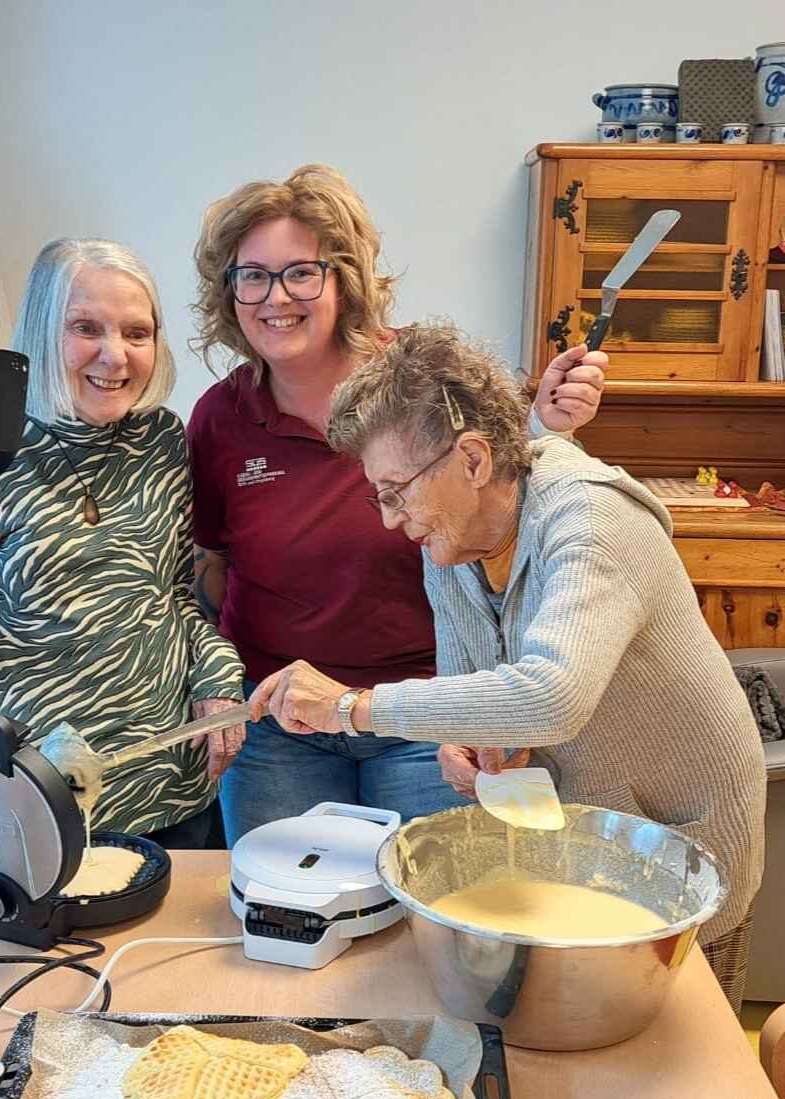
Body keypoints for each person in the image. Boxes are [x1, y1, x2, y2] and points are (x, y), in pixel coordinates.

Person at [248, 320, 766, 1012]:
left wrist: (351, 707)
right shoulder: (453, 549)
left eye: (396, 490)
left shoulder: (592, 522)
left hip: (685, 852)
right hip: (587, 844)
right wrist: (470, 748)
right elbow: (485, 703)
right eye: (379, 495)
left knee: (678, 1087)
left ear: (472, 459)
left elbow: (551, 696)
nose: (389, 519)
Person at [188, 163, 608, 846]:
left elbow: (504, 500)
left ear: (344, 279)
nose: (275, 297)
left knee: (428, 925)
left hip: (424, 717)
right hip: (282, 722)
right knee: (284, 923)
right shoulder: (219, 419)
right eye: (252, 275)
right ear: (229, 292)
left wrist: (549, 424)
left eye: (301, 272)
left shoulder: (422, 382)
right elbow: (210, 567)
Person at [0, 239, 245, 847]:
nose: (115, 356)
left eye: (136, 333)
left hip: (169, 783)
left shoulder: (161, 440)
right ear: (40, 331)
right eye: (86, 328)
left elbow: (173, 597)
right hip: (37, 796)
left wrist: (217, 677)